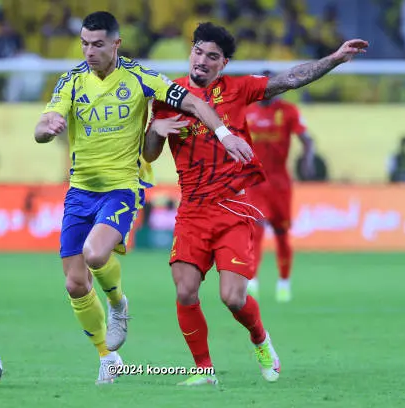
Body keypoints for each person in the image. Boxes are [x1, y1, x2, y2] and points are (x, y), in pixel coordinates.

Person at [34, 12, 253, 385]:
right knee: (74, 283)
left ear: (116, 44)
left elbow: (196, 104)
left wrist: (224, 135)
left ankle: (118, 304)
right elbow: (43, 126)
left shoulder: (141, 77)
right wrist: (46, 128)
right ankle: (108, 356)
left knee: (95, 253)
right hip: (80, 190)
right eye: (85, 43)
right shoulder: (70, 81)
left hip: (122, 186)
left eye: (98, 44)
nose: (90, 51)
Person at [144, 22, 368, 386]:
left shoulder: (238, 89)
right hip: (192, 211)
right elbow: (149, 155)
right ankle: (203, 371)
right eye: (198, 52)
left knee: (232, 297)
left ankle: (261, 340)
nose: (202, 60)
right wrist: (155, 132)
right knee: (185, 290)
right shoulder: (168, 96)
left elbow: (290, 79)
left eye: (212, 56)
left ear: (223, 63)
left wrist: (335, 59)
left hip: (233, 207)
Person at [244, 69, 315, 303]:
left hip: (280, 183)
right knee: (256, 228)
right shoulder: (247, 111)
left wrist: (307, 162)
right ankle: (252, 280)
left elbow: (307, 139)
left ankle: (284, 282)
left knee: (282, 234)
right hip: (255, 181)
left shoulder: (288, 111)